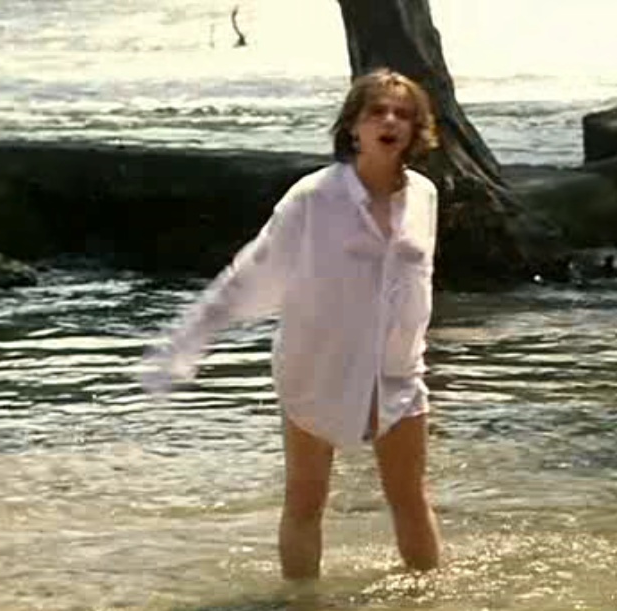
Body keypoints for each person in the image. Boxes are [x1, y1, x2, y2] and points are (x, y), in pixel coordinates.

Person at [140, 68, 444, 581]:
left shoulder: (424, 196)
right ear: (354, 126)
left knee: (410, 498)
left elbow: (418, 282)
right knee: (306, 500)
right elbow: (252, 272)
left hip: (396, 371)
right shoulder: (314, 197)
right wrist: (187, 342)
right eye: (377, 111)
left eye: (403, 114)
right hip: (317, 365)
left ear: (417, 129)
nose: (390, 121)